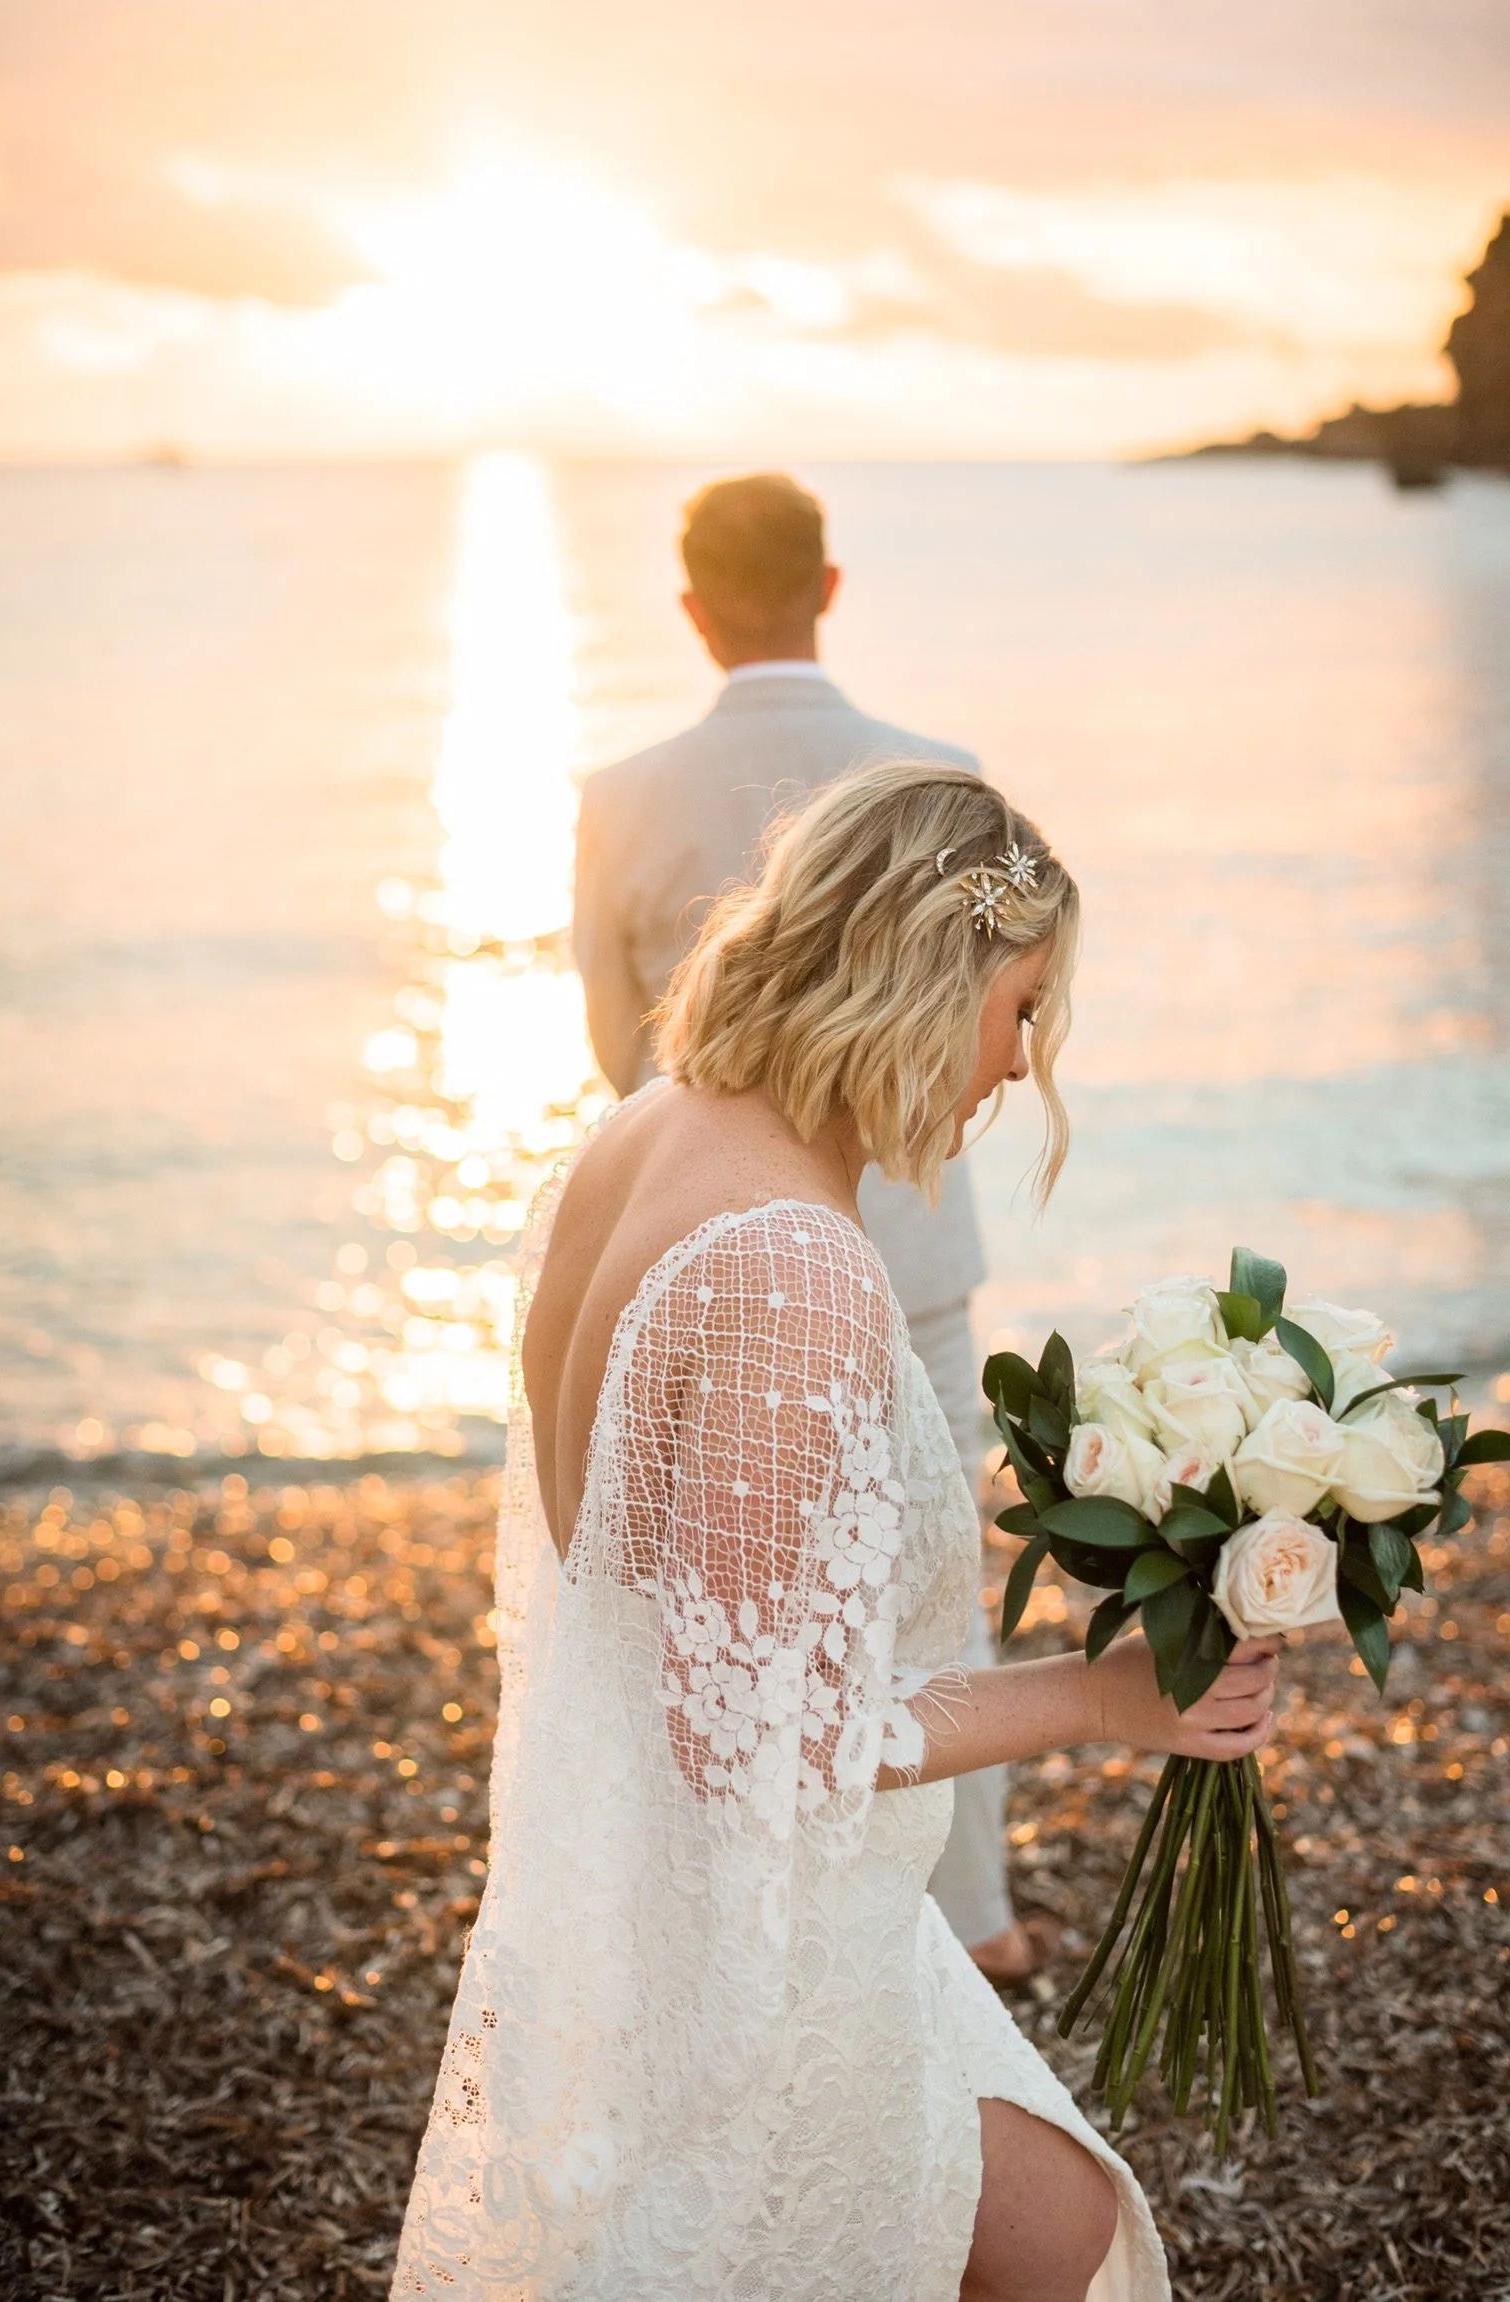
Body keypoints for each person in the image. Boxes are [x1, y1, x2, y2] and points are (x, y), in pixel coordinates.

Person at [391, 760, 1279, 2302]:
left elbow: (646, 1557)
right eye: (1018, 1008)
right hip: (750, 1949)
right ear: (924, 979)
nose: (1017, 1068)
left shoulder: (647, 1127)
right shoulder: (791, 1265)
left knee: (1047, 2225)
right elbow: (761, 1744)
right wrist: (1104, 1700)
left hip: (640, 1898)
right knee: (1062, 2244)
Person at [573, 471, 1048, 1984]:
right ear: (830, 585)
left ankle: (786, 1918)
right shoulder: (942, 778)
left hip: (682, 1236)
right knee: (920, 1588)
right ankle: (969, 1921)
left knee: (708, 1597)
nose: (1023, 1054)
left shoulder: (622, 794)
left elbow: (618, 1043)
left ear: (694, 604)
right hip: (892, 1264)